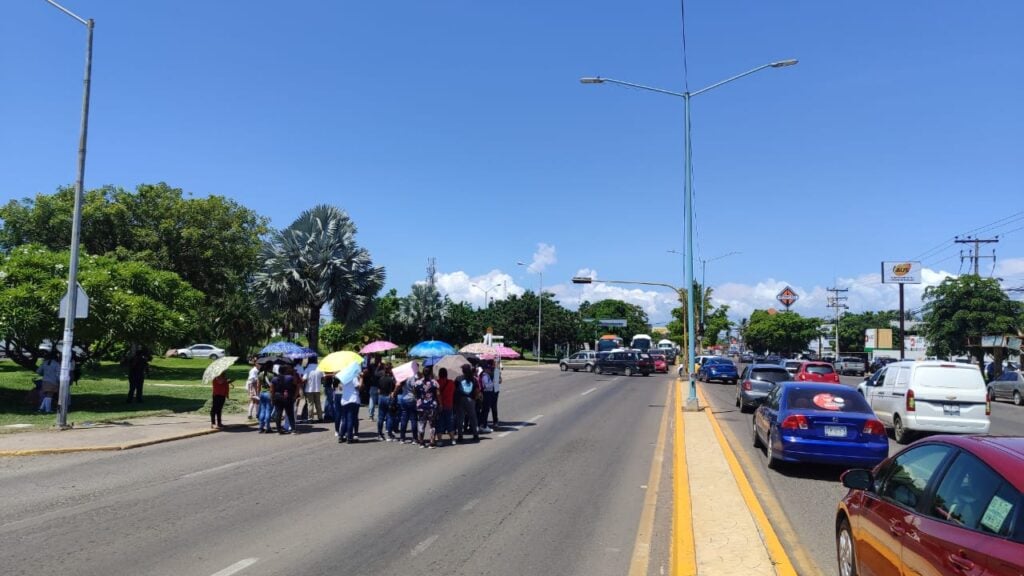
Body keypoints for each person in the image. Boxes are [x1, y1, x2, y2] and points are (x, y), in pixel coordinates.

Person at [454, 364, 480, 443]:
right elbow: (477, 390)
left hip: (460, 400)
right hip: (471, 400)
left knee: (460, 418)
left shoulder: (458, 379)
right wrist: (474, 399)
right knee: (473, 417)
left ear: (463, 370)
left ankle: (460, 436)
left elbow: (454, 390)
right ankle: (475, 435)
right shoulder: (474, 379)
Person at [394, 363, 420, 444]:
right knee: (413, 419)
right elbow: (414, 388)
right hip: (412, 399)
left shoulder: (404, 376)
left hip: (404, 398)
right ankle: (415, 438)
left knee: (404, 419)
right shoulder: (413, 376)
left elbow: (398, 385)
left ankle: (402, 438)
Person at [415, 366, 439, 448]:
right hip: (432, 405)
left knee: (421, 423)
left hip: (421, 406)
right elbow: (438, 394)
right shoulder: (434, 383)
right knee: (432, 424)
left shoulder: (417, 383)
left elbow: (415, 393)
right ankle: (432, 442)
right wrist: (441, 403)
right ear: (430, 373)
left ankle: (421, 442)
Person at [271, 364, 298, 434]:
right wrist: (295, 396)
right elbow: (296, 385)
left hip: (278, 397)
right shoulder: (290, 378)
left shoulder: (274, 379)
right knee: (290, 414)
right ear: (286, 371)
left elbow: (272, 390)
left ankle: (279, 430)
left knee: (278, 414)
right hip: (288, 397)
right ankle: (293, 429)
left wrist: (272, 399)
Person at [338, 371, 362, 444]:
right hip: (352, 399)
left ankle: (341, 436)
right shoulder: (353, 376)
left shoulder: (343, 377)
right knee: (350, 419)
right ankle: (349, 437)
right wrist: (361, 379)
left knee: (344, 419)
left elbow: (340, 388)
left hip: (345, 399)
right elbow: (358, 387)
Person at [376, 363, 397, 441]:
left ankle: (379, 433)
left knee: (381, 417)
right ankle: (389, 434)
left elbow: (378, 390)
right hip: (388, 397)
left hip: (381, 397)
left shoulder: (381, 379)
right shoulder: (391, 379)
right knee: (389, 416)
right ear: (389, 370)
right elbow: (394, 389)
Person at [436, 367, 456, 446]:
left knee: (439, 422)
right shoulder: (451, 382)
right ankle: (453, 439)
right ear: (446, 374)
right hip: (449, 405)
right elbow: (453, 391)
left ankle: (440, 440)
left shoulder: (436, 382)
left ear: (439, 374)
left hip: (439, 406)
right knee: (449, 422)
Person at [302, 357, 324, 423]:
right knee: (318, 404)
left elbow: (304, 379)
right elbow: (323, 378)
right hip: (317, 388)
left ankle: (310, 419)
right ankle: (320, 418)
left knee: (310, 404)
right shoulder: (320, 368)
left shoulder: (308, 369)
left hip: (309, 389)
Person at [477, 363, 495, 433]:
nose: (490, 370)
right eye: (488, 368)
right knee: (485, 410)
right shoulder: (484, 376)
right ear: (485, 369)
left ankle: (483, 424)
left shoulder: (486, 375)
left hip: (488, 393)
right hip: (486, 393)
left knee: (486, 410)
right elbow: (486, 386)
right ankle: (483, 425)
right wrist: (492, 383)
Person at [257, 364, 273, 433]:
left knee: (262, 410)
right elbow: (272, 386)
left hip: (262, 393)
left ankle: (260, 427)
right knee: (268, 410)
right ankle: (267, 427)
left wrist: (258, 393)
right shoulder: (271, 375)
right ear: (270, 367)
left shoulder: (260, 374)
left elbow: (258, 385)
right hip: (269, 393)